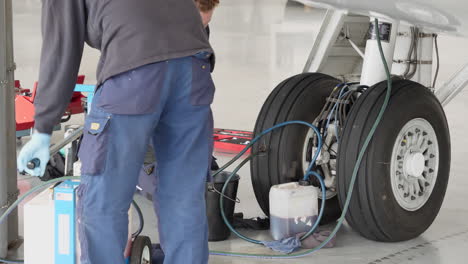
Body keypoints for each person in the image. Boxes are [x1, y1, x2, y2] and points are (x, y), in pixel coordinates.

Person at [17, 1, 215, 264]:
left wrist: (43, 128)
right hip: (194, 67)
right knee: (183, 198)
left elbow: (61, 48)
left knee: (104, 202)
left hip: (134, 72)